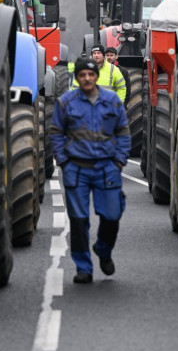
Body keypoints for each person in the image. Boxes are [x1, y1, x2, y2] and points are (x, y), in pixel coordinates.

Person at [50, 56, 131, 284]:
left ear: (96, 76)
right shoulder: (66, 102)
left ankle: (103, 250)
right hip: (77, 169)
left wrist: (119, 161)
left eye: (91, 74)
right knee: (78, 220)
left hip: (107, 168)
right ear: (77, 78)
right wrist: (64, 162)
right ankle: (83, 267)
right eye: (82, 75)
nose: (87, 78)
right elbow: (56, 133)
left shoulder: (112, 100)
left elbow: (123, 133)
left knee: (112, 215)